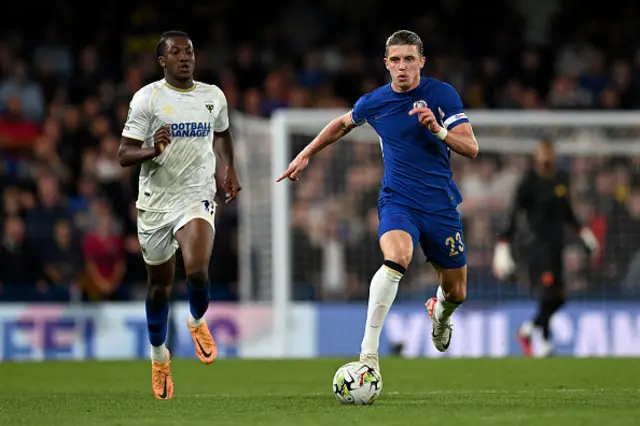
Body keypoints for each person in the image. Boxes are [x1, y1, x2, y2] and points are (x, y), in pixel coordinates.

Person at [277, 30, 478, 370]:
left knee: (457, 292)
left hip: (440, 205)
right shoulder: (376, 102)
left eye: (409, 60)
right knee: (397, 257)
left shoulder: (442, 94)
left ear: (421, 63)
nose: (402, 67)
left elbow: (471, 147)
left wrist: (439, 131)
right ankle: (368, 354)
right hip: (397, 200)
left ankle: (440, 314)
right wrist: (306, 153)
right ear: (386, 64)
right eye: (396, 60)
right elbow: (342, 124)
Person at [118, 31, 241, 399]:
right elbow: (124, 154)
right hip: (156, 202)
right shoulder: (148, 99)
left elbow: (222, 133)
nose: (185, 57)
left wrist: (229, 168)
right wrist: (151, 150)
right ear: (162, 61)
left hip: (196, 196)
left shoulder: (212, 96)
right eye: (176, 52)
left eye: (189, 51)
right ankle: (159, 357)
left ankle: (197, 320)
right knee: (159, 288)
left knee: (199, 268)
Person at [492, 137, 599, 357]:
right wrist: (503, 245)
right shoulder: (529, 182)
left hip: (556, 246)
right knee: (552, 293)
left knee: (557, 295)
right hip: (536, 247)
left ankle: (543, 340)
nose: (547, 157)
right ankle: (530, 331)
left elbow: (567, 210)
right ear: (537, 156)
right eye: (543, 152)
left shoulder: (561, 179)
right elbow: (513, 213)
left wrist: (583, 233)